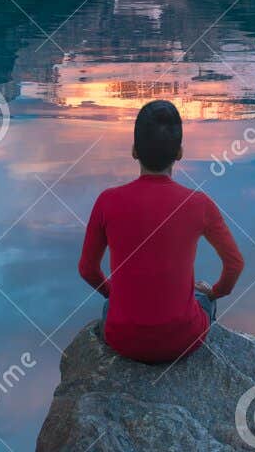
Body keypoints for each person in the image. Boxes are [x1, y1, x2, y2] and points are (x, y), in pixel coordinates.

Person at [78, 100, 245, 363]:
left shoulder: (107, 201)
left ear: (134, 151)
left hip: (122, 338)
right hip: (183, 340)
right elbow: (234, 265)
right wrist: (214, 292)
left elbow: (87, 269)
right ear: (179, 152)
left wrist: (115, 293)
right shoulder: (199, 204)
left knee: (110, 306)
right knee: (201, 297)